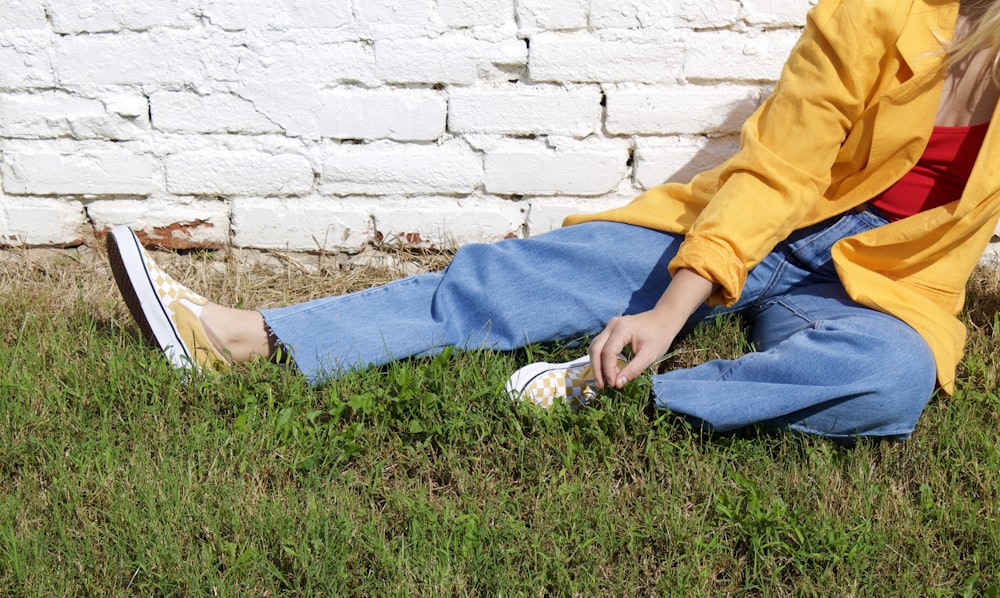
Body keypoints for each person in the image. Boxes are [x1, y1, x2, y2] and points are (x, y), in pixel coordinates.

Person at [106, 0, 1000, 440]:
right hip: (763, 229)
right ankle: (248, 336)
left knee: (889, 381)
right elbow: (777, 170)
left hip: (878, 288)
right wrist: (667, 308)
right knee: (532, 274)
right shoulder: (877, 14)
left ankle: (623, 391)